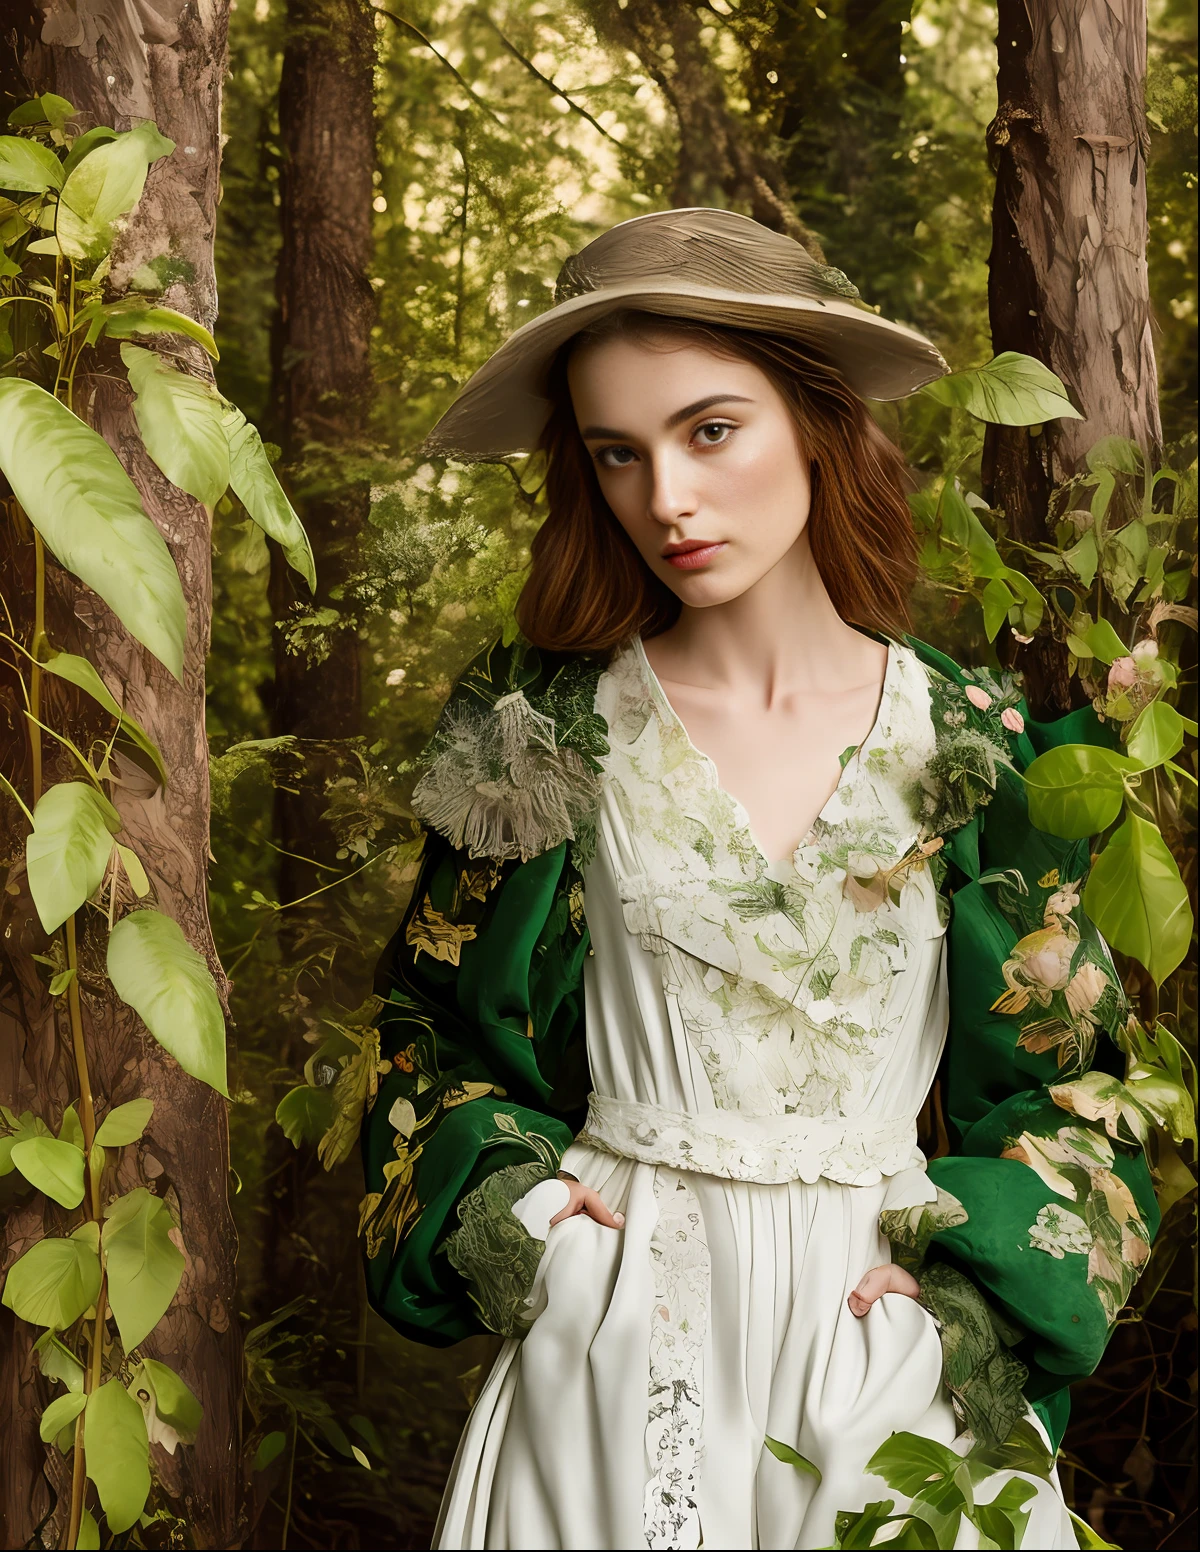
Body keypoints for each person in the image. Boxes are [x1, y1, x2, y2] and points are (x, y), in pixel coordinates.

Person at [359, 209, 1158, 1550]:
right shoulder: (538, 733)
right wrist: (533, 1222)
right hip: (618, 1350)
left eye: (709, 430)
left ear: (812, 419)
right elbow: (432, 1031)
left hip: (888, 1357)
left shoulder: (976, 748)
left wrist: (966, 1298)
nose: (665, 499)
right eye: (620, 454)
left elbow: (1078, 1084)